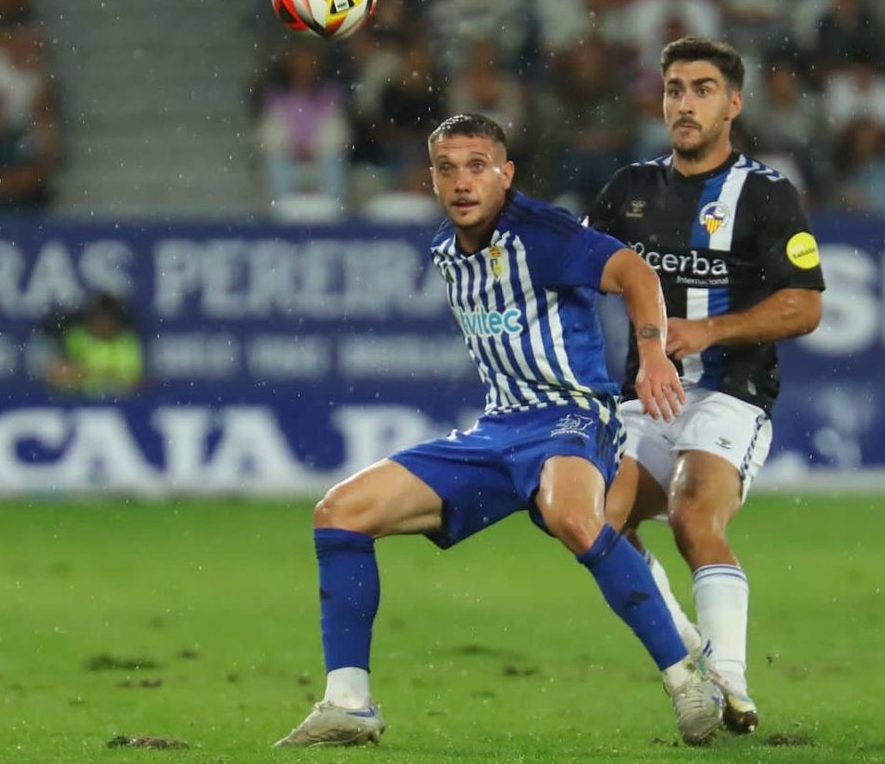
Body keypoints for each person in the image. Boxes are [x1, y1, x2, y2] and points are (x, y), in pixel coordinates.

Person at [274, 113, 727, 748]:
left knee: (573, 515)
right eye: (447, 169)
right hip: (498, 430)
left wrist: (652, 352)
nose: (462, 182)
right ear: (431, 178)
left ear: (505, 174)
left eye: (478, 167)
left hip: (573, 415)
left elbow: (634, 273)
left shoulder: (542, 234)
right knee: (340, 512)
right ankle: (348, 702)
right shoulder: (445, 250)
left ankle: (686, 679)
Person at [587, 37, 825, 735]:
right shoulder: (629, 191)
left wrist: (711, 331)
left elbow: (805, 305)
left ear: (733, 104)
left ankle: (731, 685)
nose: (683, 104)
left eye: (701, 89)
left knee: (694, 517)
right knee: (594, 521)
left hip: (731, 395)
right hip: (643, 399)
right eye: (673, 90)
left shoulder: (768, 195)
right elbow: (578, 273)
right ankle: (687, 639)